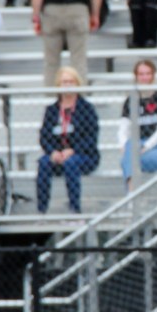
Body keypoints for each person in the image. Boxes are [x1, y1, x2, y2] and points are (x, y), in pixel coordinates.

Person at [37, 67, 99, 214]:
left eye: (71, 82)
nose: (68, 85)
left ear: (77, 84)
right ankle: (42, 212)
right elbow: (44, 137)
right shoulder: (52, 110)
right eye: (64, 82)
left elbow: (92, 137)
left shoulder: (87, 108)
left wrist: (73, 150)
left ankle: (74, 211)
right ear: (58, 85)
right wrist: (53, 152)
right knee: (44, 162)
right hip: (58, 155)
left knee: (71, 163)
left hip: (84, 156)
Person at [118, 59, 157, 193]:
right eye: (141, 74)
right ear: (136, 76)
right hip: (135, 146)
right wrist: (123, 144)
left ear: (153, 75)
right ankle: (133, 193)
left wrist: (145, 146)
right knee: (130, 149)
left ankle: (131, 195)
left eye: (148, 73)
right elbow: (123, 128)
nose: (145, 77)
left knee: (127, 161)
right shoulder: (131, 99)